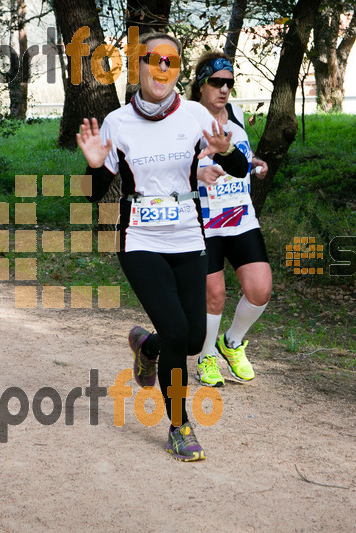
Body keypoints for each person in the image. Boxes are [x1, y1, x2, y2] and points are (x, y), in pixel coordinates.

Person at [77, 34, 249, 461]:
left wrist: (226, 155)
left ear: (177, 70)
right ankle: (180, 426)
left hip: (190, 238)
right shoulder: (117, 122)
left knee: (190, 341)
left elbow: (239, 168)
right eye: (154, 59)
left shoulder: (195, 115)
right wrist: (95, 166)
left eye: (171, 61)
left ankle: (147, 347)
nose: (162, 68)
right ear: (139, 65)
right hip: (140, 241)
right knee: (178, 332)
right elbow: (92, 194)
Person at [190, 51, 273, 388]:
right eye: (216, 82)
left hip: (240, 218)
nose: (223, 89)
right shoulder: (185, 119)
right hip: (204, 221)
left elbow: (240, 153)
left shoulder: (235, 113)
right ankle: (206, 356)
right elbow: (166, 170)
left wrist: (255, 162)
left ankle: (232, 342)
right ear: (201, 84)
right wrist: (198, 174)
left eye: (228, 83)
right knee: (215, 293)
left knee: (260, 289)